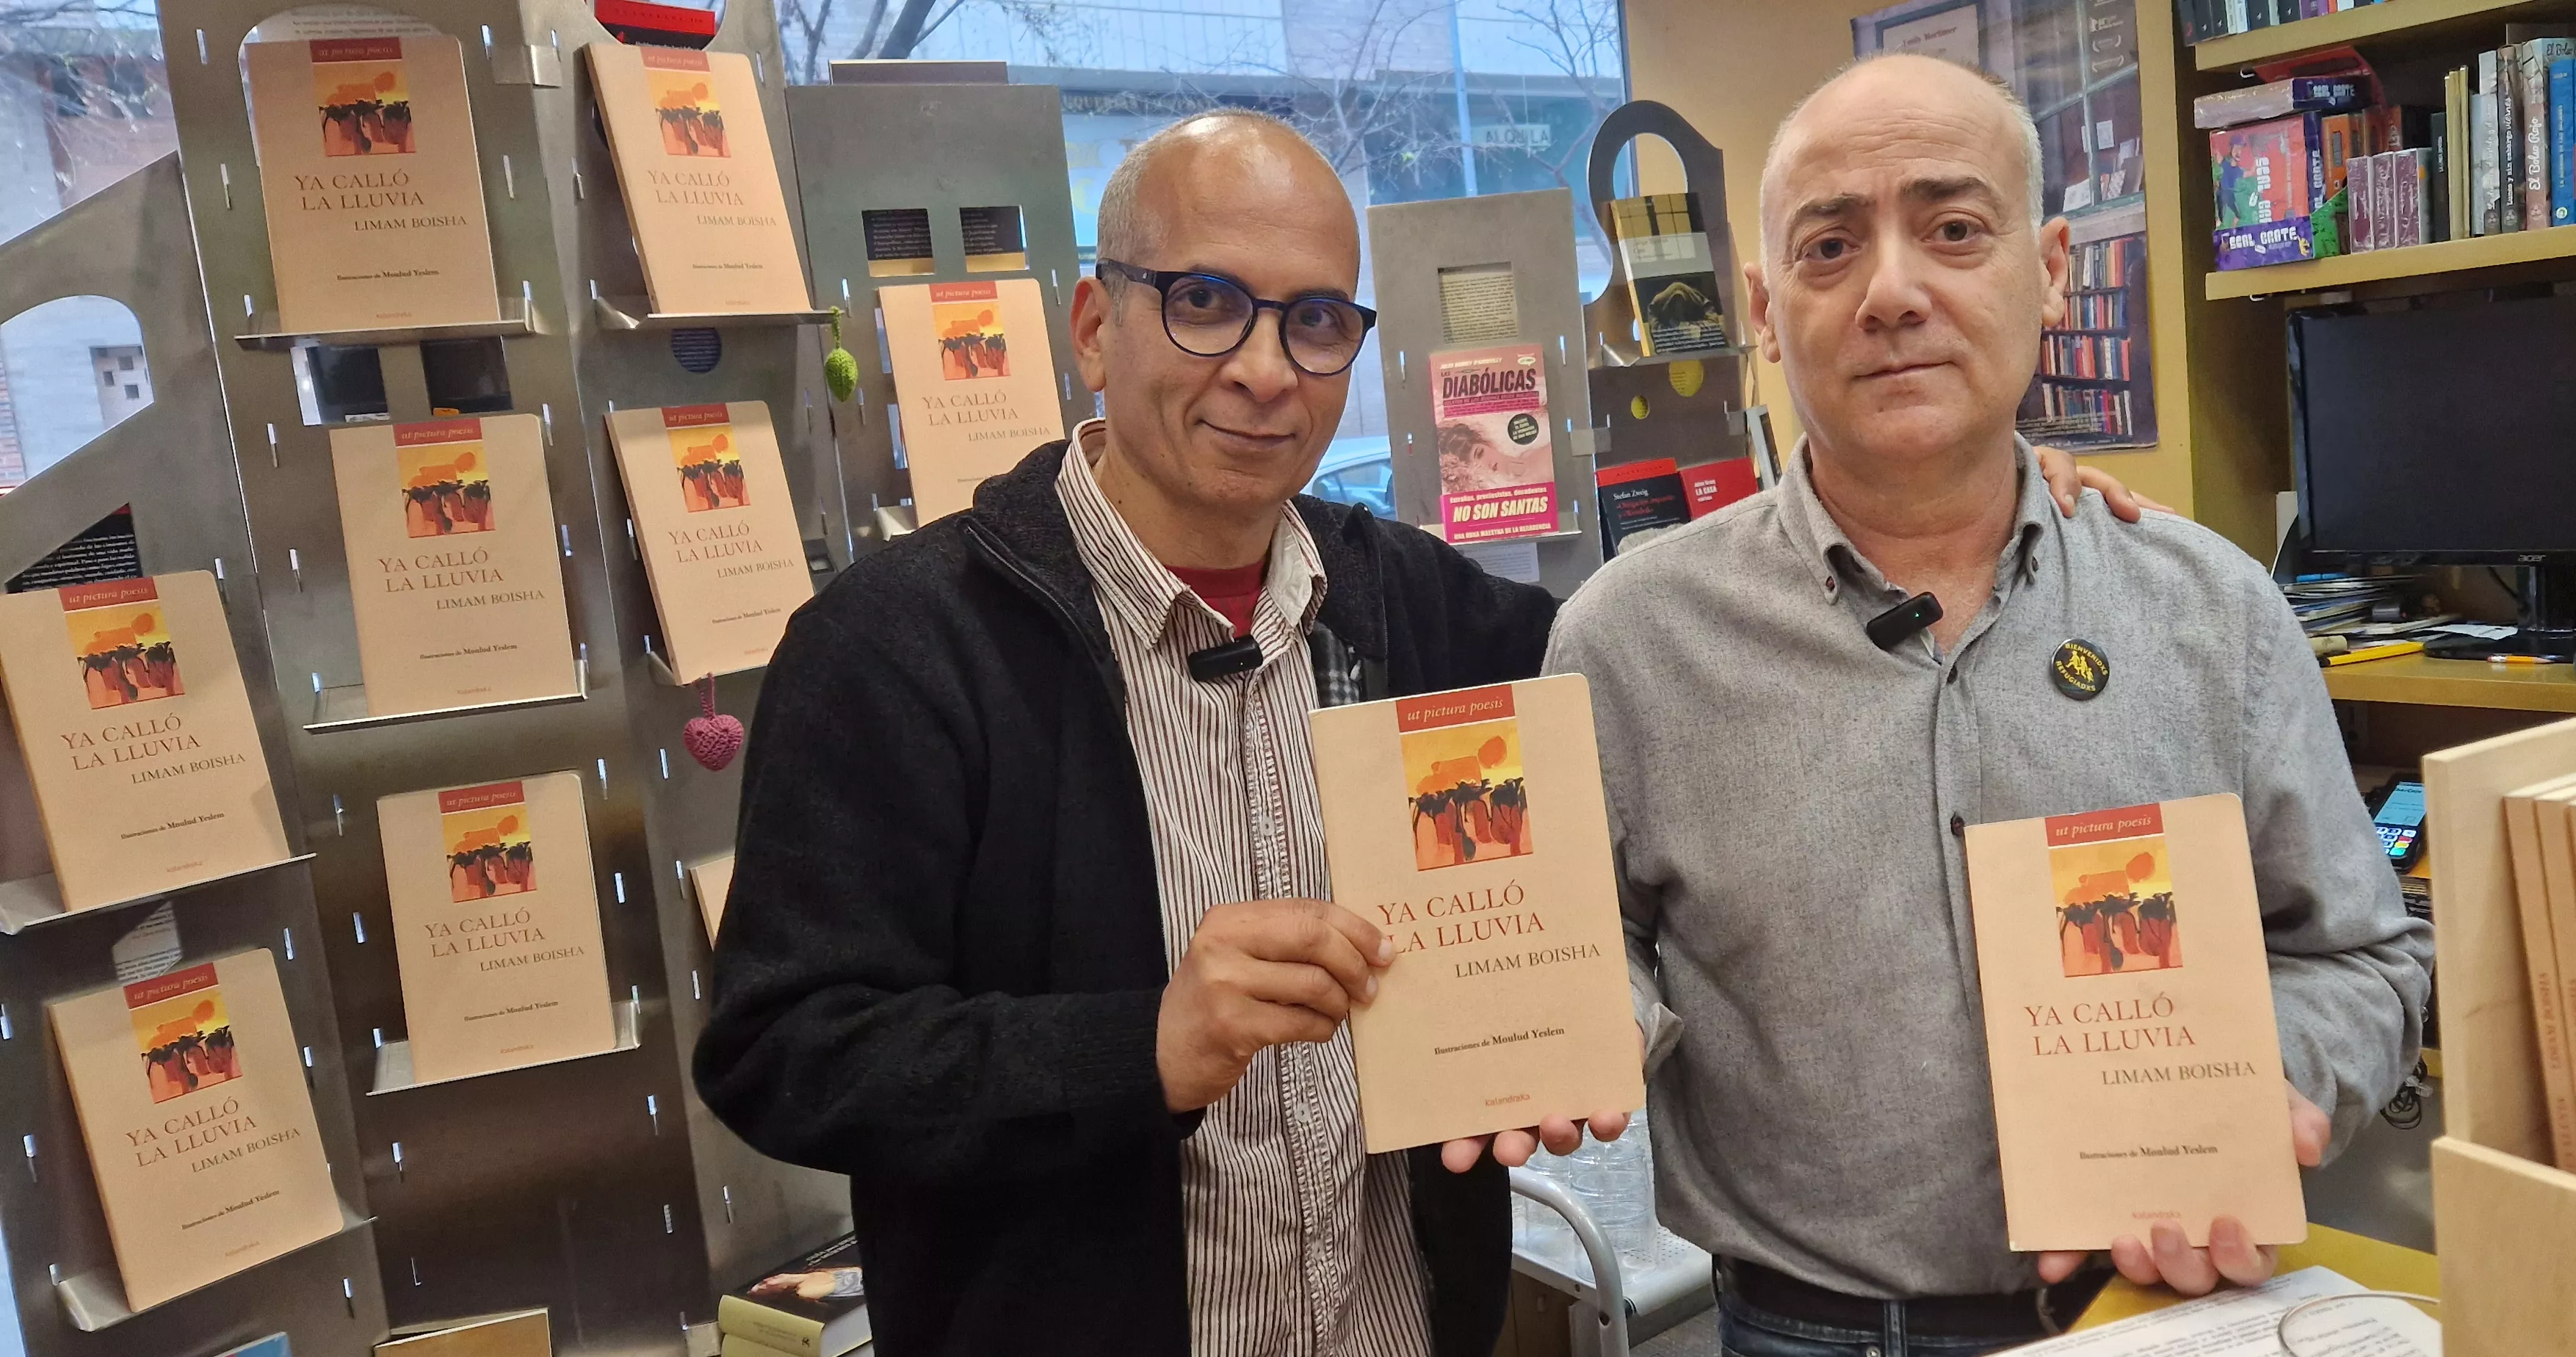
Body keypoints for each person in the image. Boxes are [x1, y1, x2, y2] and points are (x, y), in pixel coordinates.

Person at [692, 107, 2149, 1357]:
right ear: (1096, 322)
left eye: (1317, 321)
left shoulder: (1411, 611)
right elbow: (784, 1052)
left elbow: (1690, 670)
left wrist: (1955, 500)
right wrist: (1134, 1046)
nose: (1265, 368)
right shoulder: (896, 649)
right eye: (1205, 300)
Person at [1545, 54, 2434, 1357]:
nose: (1893, 292)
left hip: (2167, 1316)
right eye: (1830, 246)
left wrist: (2268, 1086)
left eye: (1953, 230)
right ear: (1762, 306)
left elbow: (2361, 955)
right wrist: (1571, 1022)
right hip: (1806, 1332)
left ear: (2053, 267)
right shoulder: (1627, 640)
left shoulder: (2210, 612)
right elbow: (1595, 937)